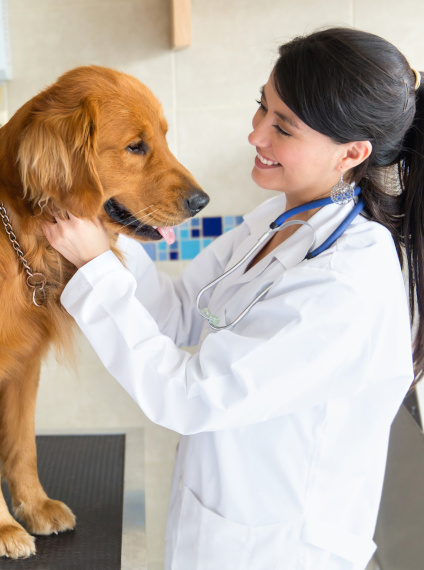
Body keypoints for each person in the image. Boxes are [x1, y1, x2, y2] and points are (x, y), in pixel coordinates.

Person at [42, 27, 424, 569]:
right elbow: (179, 315)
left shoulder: (347, 283)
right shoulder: (279, 219)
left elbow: (188, 397)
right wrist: (109, 227)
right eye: (261, 108)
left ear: (352, 153)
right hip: (217, 528)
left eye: (283, 127)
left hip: (279, 551)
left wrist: (96, 265)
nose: (256, 136)